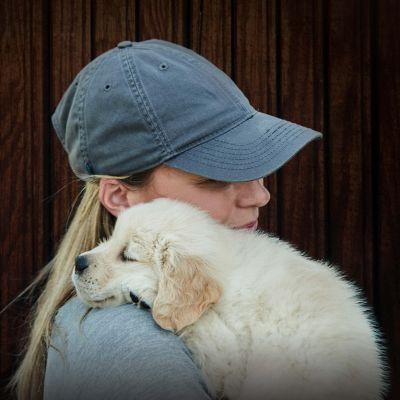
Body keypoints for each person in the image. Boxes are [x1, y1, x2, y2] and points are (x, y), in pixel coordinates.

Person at [6, 39, 322, 400]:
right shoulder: (127, 346)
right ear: (120, 196)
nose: (259, 196)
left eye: (255, 166)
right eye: (216, 177)